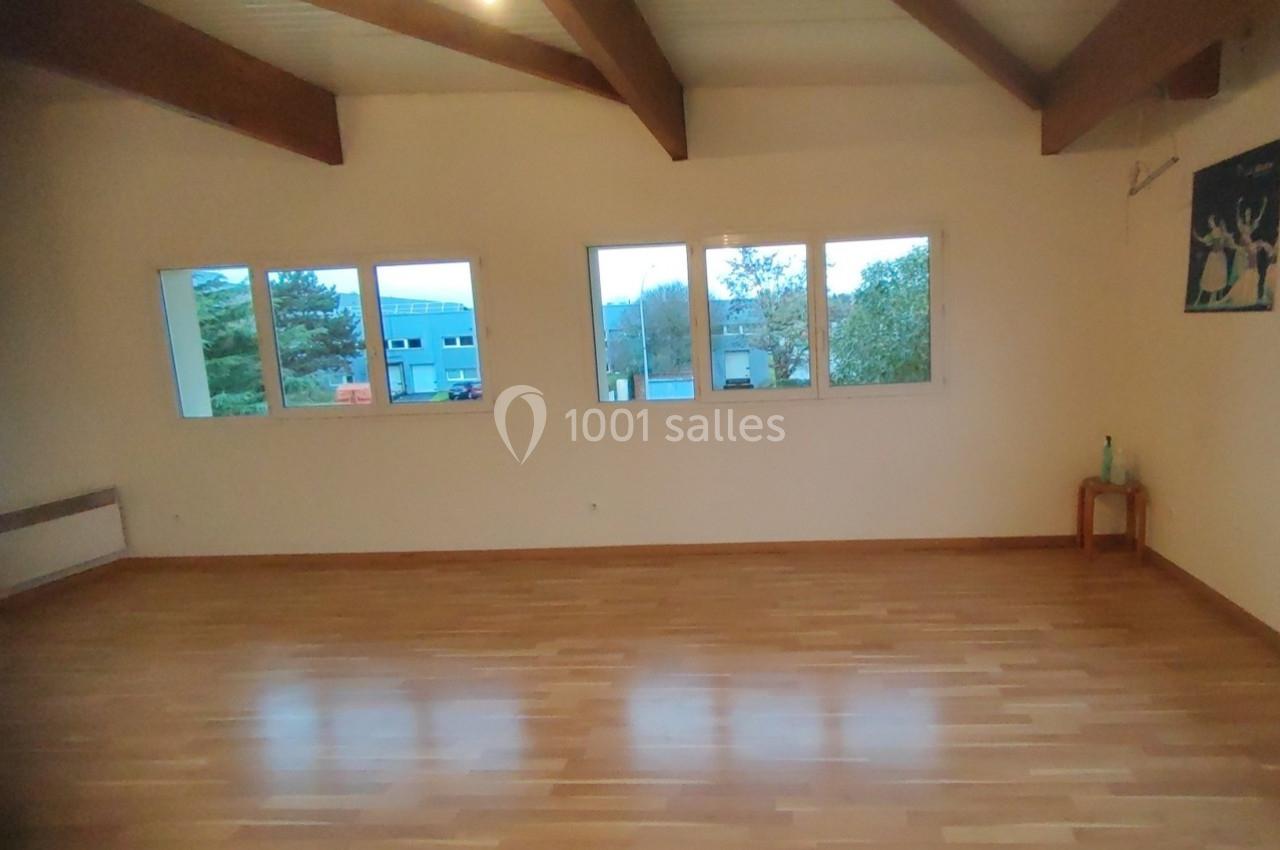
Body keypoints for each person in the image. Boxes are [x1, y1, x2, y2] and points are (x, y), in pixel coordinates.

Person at [1225, 197, 1276, 308]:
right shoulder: (1242, 227)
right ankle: (1240, 293)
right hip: (1243, 252)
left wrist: (1264, 204)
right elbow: (1237, 217)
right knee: (1242, 273)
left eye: (1249, 214)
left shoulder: (1251, 228)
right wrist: (1238, 205)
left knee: (1251, 273)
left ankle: (1249, 294)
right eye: (1246, 214)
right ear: (1244, 215)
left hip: (1249, 251)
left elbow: (1259, 217)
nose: (1248, 215)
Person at [1192, 214, 1234, 305]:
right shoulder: (1216, 231)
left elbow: (1228, 243)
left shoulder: (1221, 233)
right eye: (1222, 224)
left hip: (1220, 257)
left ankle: (1214, 299)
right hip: (1214, 257)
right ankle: (1201, 300)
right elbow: (1206, 240)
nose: (1223, 225)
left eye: (1224, 224)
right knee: (1209, 276)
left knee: (1219, 278)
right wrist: (1197, 236)